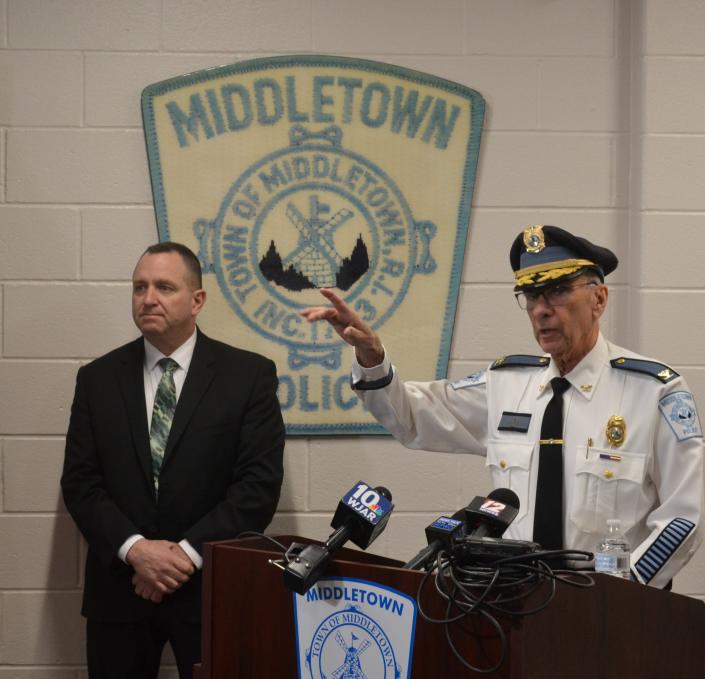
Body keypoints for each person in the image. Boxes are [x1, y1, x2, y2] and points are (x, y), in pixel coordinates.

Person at [300, 225, 704, 589]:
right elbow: (411, 417)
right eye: (531, 295)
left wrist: (628, 590)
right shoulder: (505, 385)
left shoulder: (653, 392)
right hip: (513, 605)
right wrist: (372, 357)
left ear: (599, 299)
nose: (541, 309)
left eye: (559, 291)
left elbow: (684, 515)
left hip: (611, 616)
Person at [61, 241, 285, 678]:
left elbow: (257, 487)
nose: (148, 298)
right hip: (120, 589)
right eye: (139, 287)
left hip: (211, 590)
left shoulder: (248, 376)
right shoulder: (96, 379)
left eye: (164, 287)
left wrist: (182, 556)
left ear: (197, 300)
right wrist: (136, 551)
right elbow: (80, 483)